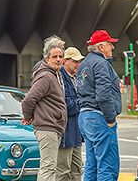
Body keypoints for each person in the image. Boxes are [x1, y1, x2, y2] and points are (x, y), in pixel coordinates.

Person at [76, 30, 121, 181]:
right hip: (99, 116)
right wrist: (110, 119)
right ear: (101, 47)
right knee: (108, 165)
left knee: (92, 164)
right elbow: (103, 94)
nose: (112, 48)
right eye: (110, 44)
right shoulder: (101, 64)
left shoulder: (84, 64)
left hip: (85, 116)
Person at [22, 39, 67, 181]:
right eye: (54, 57)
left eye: (60, 56)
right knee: (48, 167)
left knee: (50, 166)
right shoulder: (46, 76)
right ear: (47, 59)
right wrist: (28, 117)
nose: (58, 59)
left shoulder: (55, 73)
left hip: (53, 126)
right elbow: (28, 100)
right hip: (47, 127)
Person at [56, 47, 84, 181]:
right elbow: (66, 105)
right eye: (75, 61)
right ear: (65, 61)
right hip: (65, 134)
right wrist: (82, 102)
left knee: (77, 171)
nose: (78, 64)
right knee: (63, 172)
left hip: (75, 134)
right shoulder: (60, 77)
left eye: (80, 61)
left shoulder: (76, 78)